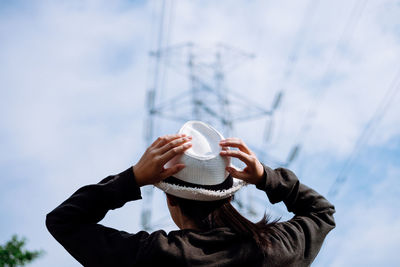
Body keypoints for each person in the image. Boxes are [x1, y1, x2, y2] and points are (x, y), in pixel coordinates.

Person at [46, 121, 335, 267]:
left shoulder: (157, 256)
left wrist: (131, 179)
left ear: (171, 198)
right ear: (229, 195)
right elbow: (322, 212)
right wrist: (265, 177)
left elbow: (64, 221)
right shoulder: (275, 247)